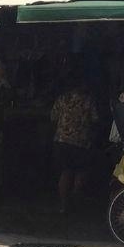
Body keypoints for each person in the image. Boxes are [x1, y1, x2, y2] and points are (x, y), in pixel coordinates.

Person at [50, 74, 100, 213]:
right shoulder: (88, 101)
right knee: (81, 171)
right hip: (81, 142)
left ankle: (63, 205)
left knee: (65, 172)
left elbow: (53, 117)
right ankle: (76, 198)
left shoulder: (62, 98)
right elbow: (95, 120)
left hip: (61, 141)